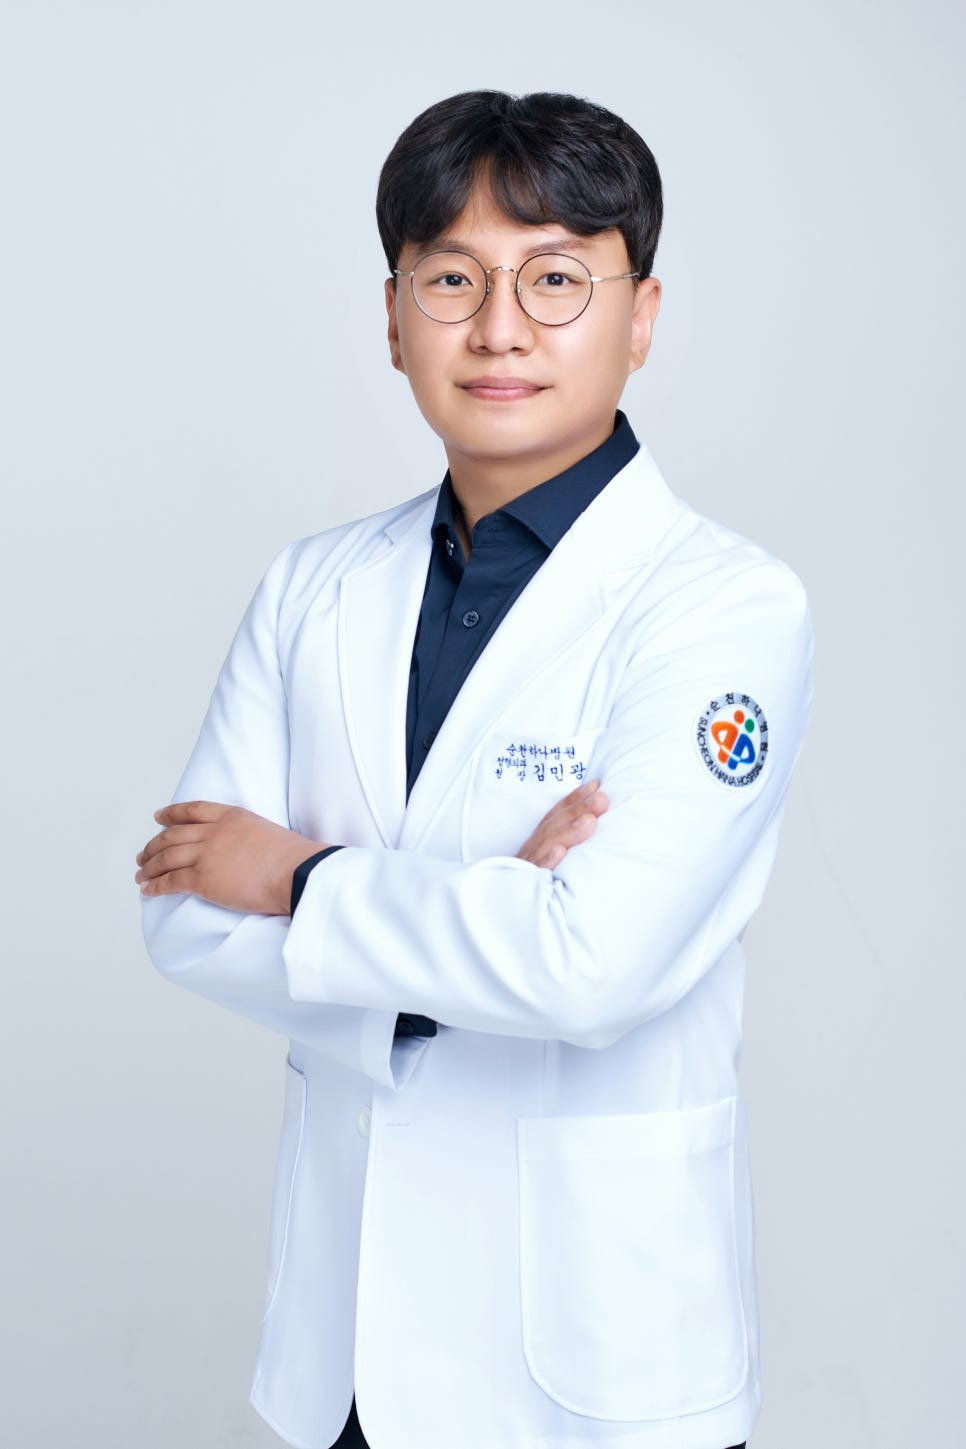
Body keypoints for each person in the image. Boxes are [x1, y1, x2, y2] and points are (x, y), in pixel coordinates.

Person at [136, 89, 811, 1449]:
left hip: (594, 1356)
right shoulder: (313, 586)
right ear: (393, 320)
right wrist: (489, 907)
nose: (499, 327)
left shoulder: (723, 607)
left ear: (641, 316)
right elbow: (185, 918)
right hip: (348, 1349)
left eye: (555, 279)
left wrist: (301, 879)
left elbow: (590, 966)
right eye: (450, 279)